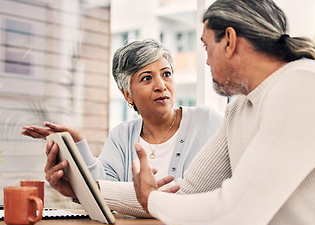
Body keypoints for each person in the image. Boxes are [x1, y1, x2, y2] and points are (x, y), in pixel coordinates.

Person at [130, 0, 315, 225]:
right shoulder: (240, 108)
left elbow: (230, 220)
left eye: (206, 47)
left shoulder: (307, 84)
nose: (206, 61)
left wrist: (152, 200)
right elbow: (186, 193)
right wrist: (92, 190)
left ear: (229, 40)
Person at [21, 39, 222, 183]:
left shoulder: (207, 121)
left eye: (166, 74)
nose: (161, 85)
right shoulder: (122, 136)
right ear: (127, 94)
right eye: (146, 78)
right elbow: (105, 189)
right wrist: (77, 144)